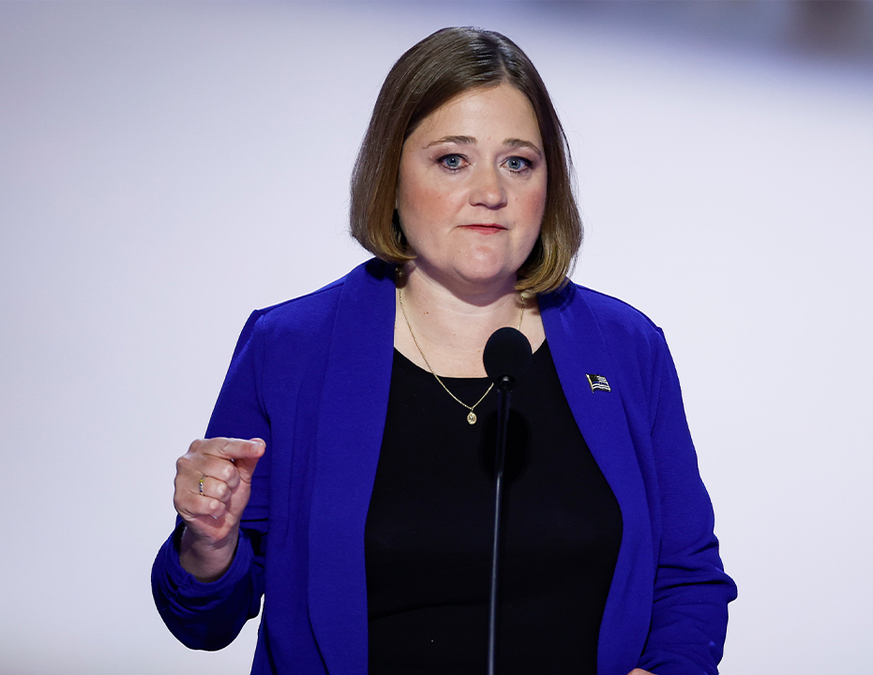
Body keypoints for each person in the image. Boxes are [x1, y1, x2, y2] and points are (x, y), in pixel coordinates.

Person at [152, 26, 735, 675]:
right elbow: (202, 620)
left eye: (518, 162)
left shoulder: (626, 349)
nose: (491, 190)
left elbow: (687, 578)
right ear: (392, 175)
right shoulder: (291, 348)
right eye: (453, 159)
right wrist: (210, 543)